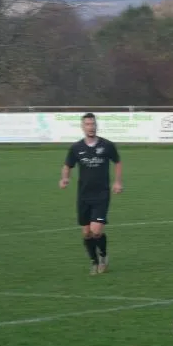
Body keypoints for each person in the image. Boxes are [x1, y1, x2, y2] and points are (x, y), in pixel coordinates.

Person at [60, 113, 123, 275]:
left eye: (93, 124)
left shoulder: (107, 145)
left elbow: (117, 162)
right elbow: (67, 165)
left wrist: (117, 182)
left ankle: (103, 256)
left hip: (102, 194)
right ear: (83, 127)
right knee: (86, 233)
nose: (91, 127)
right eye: (88, 124)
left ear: (96, 126)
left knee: (96, 231)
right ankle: (94, 261)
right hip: (83, 195)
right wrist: (65, 178)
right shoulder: (76, 148)